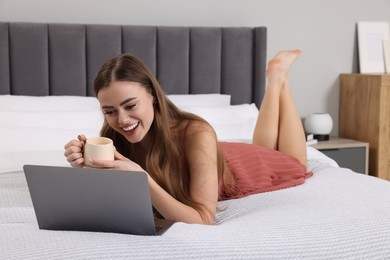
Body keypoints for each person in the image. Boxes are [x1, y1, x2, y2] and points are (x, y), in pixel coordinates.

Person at [64, 50, 311, 225]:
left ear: (151, 95)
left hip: (239, 168)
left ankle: (279, 80)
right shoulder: (112, 137)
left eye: (130, 105)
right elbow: (110, 202)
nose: (122, 120)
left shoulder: (196, 131)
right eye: (110, 111)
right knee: (265, 146)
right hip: (211, 156)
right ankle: (276, 78)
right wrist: (87, 166)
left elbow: (203, 219)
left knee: (292, 160)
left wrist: (142, 179)